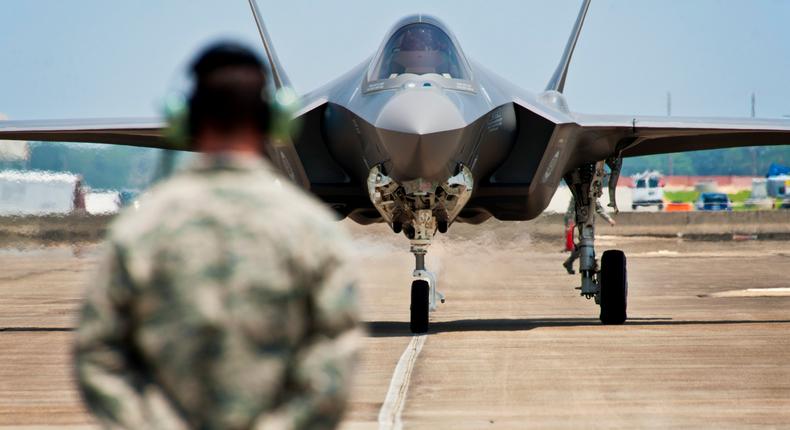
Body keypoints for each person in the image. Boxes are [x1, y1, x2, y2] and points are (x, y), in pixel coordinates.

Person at [74, 42, 361, 430]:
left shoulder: (142, 229)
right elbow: (334, 362)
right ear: (276, 121)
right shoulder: (312, 231)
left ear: (184, 119)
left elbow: (97, 355)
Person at [563, 196, 616, 275]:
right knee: (586, 242)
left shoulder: (592, 191)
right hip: (582, 221)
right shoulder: (578, 191)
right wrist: (568, 222)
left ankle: (571, 261)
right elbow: (571, 209)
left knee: (585, 242)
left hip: (589, 222)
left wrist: (608, 219)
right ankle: (593, 262)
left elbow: (598, 208)